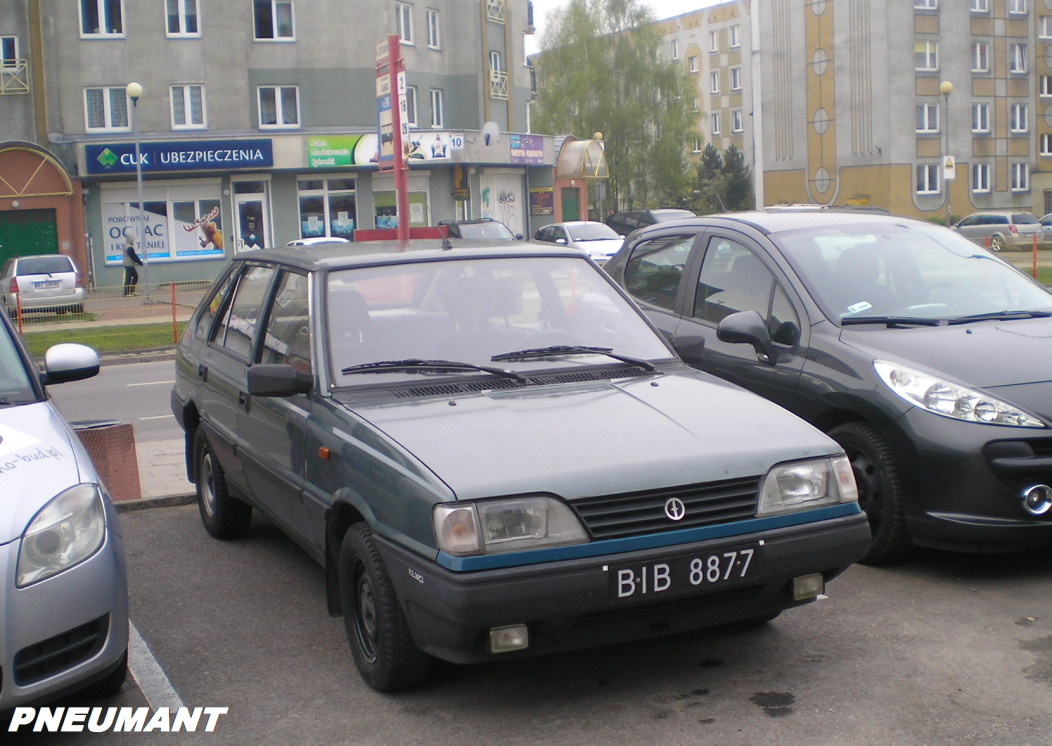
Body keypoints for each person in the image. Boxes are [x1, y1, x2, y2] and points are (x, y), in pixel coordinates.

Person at [123, 228, 144, 296]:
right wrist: (139, 262)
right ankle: (126, 293)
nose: (133, 240)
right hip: (129, 264)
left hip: (129, 264)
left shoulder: (126, 245)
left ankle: (131, 290)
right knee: (129, 278)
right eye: (132, 238)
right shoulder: (129, 247)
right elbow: (133, 256)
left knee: (135, 276)